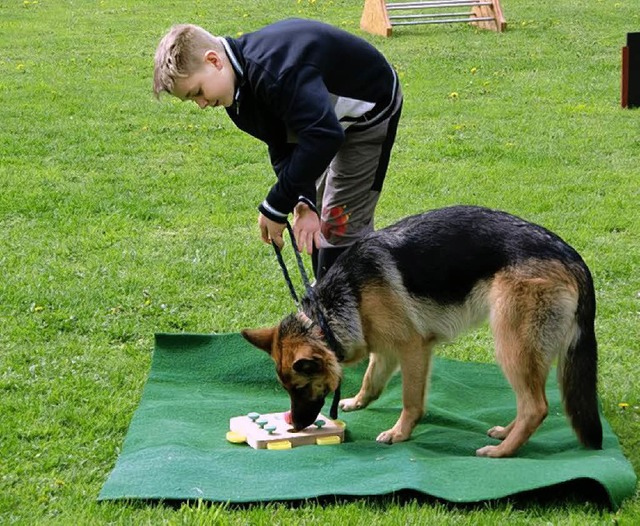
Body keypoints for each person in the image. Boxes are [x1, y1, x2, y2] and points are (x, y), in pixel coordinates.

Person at [153, 18, 402, 279]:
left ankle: (345, 308)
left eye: (197, 92)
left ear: (214, 61)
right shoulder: (237, 98)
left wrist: (276, 204)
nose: (201, 104)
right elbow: (283, 144)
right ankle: (329, 298)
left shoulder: (275, 73)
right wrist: (302, 202)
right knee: (315, 216)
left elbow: (325, 135)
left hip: (371, 109)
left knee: (339, 224)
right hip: (322, 122)